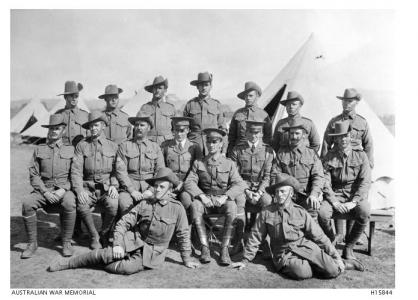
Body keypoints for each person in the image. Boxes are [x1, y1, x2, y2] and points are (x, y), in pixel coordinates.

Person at [48, 168, 199, 274]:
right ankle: (67, 263)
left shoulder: (177, 209)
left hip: (153, 252)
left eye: (162, 187)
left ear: (170, 189)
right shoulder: (145, 203)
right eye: (155, 186)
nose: (157, 189)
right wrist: (118, 245)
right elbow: (123, 222)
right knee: (107, 253)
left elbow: (183, 234)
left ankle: (99, 262)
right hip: (133, 241)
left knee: (126, 268)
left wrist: (186, 259)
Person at [232, 174, 364, 280]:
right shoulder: (267, 212)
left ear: (290, 193)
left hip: (305, 247)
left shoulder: (300, 212)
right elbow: (256, 236)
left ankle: (344, 264)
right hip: (283, 253)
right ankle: (318, 265)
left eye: (283, 192)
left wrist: (335, 256)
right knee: (302, 272)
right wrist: (245, 260)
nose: (280, 195)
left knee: (333, 271)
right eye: (277, 192)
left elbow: (319, 237)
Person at [184, 128, 248, 265]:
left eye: (214, 142)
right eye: (209, 142)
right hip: (205, 199)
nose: (211, 145)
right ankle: (204, 247)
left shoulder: (229, 163)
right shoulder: (199, 163)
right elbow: (189, 182)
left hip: (222, 201)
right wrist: (201, 196)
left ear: (220, 144)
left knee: (232, 206)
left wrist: (226, 197)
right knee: (195, 205)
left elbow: (240, 184)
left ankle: (224, 248)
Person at [21, 114, 77, 258]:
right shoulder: (40, 149)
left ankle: (66, 243)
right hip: (44, 189)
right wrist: (45, 192)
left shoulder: (70, 150)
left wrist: (64, 190)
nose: (53, 131)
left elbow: (75, 174)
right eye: (51, 129)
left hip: (64, 189)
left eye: (57, 129)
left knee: (70, 203)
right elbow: (34, 174)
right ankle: (32, 243)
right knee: (27, 203)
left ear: (63, 130)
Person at [318, 121, 371, 260]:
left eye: (345, 136)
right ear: (335, 139)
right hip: (335, 194)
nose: (343, 140)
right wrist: (334, 202)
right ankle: (332, 240)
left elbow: (365, 182)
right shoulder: (329, 156)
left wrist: (354, 202)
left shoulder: (361, 155)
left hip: (355, 195)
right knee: (322, 213)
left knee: (364, 212)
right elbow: (325, 182)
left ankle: (349, 247)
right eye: (339, 137)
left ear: (350, 136)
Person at [71, 111, 121, 249]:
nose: (93, 128)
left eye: (96, 125)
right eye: (91, 126)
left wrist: (114, 185)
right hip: (88, 188)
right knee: (82, 205)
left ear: (103, 126)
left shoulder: (113, 146)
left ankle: (104, 233)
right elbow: (76, 171)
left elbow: (117, 170)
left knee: (113, 205)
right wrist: (80, 190)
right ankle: (94, 236)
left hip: (106, 187)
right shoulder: (82, 145)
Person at [229, 120, 275, 255]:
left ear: (261, 134)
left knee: (268, 202)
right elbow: (234, 174)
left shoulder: (268, 151)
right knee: (238, 200)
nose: (254, 136)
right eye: (251, 132)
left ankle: (264, 241)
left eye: (257, 133)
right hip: (243, 186)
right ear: (246, 133)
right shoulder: (237, 150)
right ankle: (239, 240)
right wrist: (246, 190)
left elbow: (267, 176)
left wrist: (259, 192)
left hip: (261, 187)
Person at [272, 119, 324, 220]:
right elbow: (275, 174)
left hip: (306, 195)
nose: (294, 136)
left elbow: (318, 176)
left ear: (304, 135)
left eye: (297, 133)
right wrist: (279, 193)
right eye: (292, 133)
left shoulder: (311, 153)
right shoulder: (281, 153)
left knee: (312, 218)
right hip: (287, 195)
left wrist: (314, 194)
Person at [116, 115, 165, 215]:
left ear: (149, 128)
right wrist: (131, 190)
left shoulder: (155, 147)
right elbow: (121, 171)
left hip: (150, 186)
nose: (138, 127)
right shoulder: (124, 146)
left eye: (142, 125)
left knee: (154, 207)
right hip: (129, 186)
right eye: (136, 125)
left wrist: (151, 190)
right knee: (124, 203)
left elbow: (160, 171)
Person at [321, 88, 373, 168]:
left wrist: (368, 166)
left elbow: (368, 145)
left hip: (356, 164)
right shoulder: (334, 122)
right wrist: (323, 165)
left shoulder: (362, 122)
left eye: (350, 101)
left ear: (356, 103)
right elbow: (326, 144)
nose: (346, 104)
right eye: (344, 101)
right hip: (336, 163)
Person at [161, 117, 202, 213]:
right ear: (173, 130)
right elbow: (162, 168)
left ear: (188, 130)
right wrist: (172, 184)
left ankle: (188, 227)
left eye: (182, 131)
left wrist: (183, 184)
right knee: (164, 202)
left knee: (186, 200)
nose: (179, 134)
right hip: (170, 183)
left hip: (188, 184)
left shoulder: (195, 147)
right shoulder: (165, 146)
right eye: (176, 130)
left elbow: (197, 170)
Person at [183, 72, 227, 155]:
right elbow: (184, 128)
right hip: (193, 145)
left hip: (212, 145)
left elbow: (223, 129)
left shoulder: (217, 105)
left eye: (206, 85)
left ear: (211, 86)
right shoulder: (190, 104)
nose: (203, 88)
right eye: (201, 85)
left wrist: (223, 151)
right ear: (197, 87)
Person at [227, 81, 272, 156]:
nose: (248, 98)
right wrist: (231, 153)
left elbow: (268, 137)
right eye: (246, 96)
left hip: (258, 154)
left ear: (256, 96)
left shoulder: (263, 115)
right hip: (239, 153)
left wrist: (265, 153)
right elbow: (232, 137)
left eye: (251, 96)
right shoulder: (238, 114)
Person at [138, 76, 176, 146]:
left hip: (167, 144)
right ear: (152, 90)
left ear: (165, 90)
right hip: (149, 144)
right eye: (155, 88)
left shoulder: (171, 108)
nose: (157, 90)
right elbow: (138, 129)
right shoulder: (145, 108)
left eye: (160, 88)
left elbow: (175, 129)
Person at [55, 81, 89, 147]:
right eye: (71, 96)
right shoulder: (58, 115)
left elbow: (89, 136)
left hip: (81, 153)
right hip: (63, 153)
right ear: (65, 97)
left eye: (76, 96)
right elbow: (53, 137)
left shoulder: (85, 115)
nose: (74, 98)